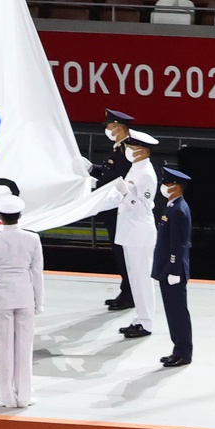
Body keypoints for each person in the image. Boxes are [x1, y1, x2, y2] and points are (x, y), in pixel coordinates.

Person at [0, 195, 44, 408]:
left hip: (2, 296)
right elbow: (37, 272)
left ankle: (6, 397)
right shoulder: (32, 238)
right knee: (25, 347)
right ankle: (24, 395)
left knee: (3, 347)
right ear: (20, 216)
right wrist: (39, 301)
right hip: (25, 295)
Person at [89, 108, 135, 311]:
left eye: (108, 126)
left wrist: (96, 183)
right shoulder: (118, 149)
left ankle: (129, 294)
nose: (106, 129)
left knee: (123, 252)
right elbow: (109, 171)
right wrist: (92, 169)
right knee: (119, 252)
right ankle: (126, 290)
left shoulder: (127, 151)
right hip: (113, 209)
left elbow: (118, 179)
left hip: (120, 210)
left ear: (117, 127)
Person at [115, 129, 159, 339]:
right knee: (134, 278)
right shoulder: (136, 168)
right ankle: (140, 318)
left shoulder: (146, 173)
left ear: (141, 151)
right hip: (129, 230)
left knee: (142, 279)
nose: (127, 150)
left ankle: (147, 322)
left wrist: (125, 193)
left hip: (139, 232)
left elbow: (144, 206)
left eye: (131, 147)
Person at [152, 168, 193, 367]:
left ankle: (183, 353)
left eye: (167, 184)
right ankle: (177, 349)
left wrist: (175, 270)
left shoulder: (178, 210)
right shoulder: (172, 206)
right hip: (167, 269)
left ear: (176, 187)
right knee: (172, 312)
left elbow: (178, 243)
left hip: (172, 270)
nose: (164, 187)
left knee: (178, 313)